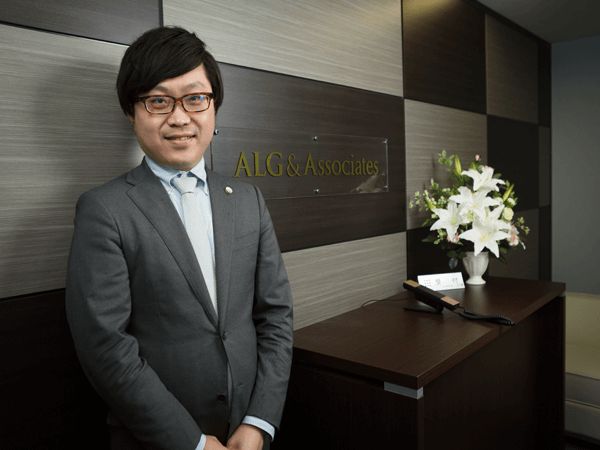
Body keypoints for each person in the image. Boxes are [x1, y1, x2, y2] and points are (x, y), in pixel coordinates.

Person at [65, 26, 293, 450]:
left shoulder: (248, 199)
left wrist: (260, 420)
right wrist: (194, 443)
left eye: (195, 98)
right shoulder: (104, 209)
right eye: (158, 101)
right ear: (131, 113)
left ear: (214, 107)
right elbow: (105, 348)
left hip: (248, 430)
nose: (180, 117)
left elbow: (276, 315)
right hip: (158, 440)